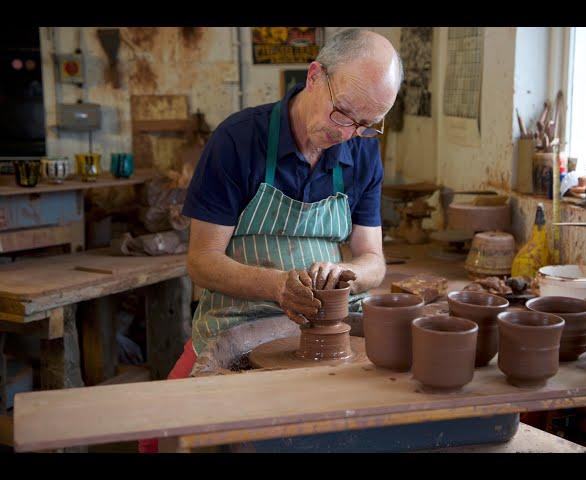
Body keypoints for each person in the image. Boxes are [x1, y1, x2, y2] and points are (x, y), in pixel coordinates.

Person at [139, 28, 403, 452]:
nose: (348, 133)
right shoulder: (238, 141)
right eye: (343, 113)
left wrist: (348, 273)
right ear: (315, 75)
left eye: (367, 125)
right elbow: (202, 261)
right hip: (238, 319)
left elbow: (374, 259)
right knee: (158, 439)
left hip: (330, 324)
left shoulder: (361, 151)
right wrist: (278, 286)